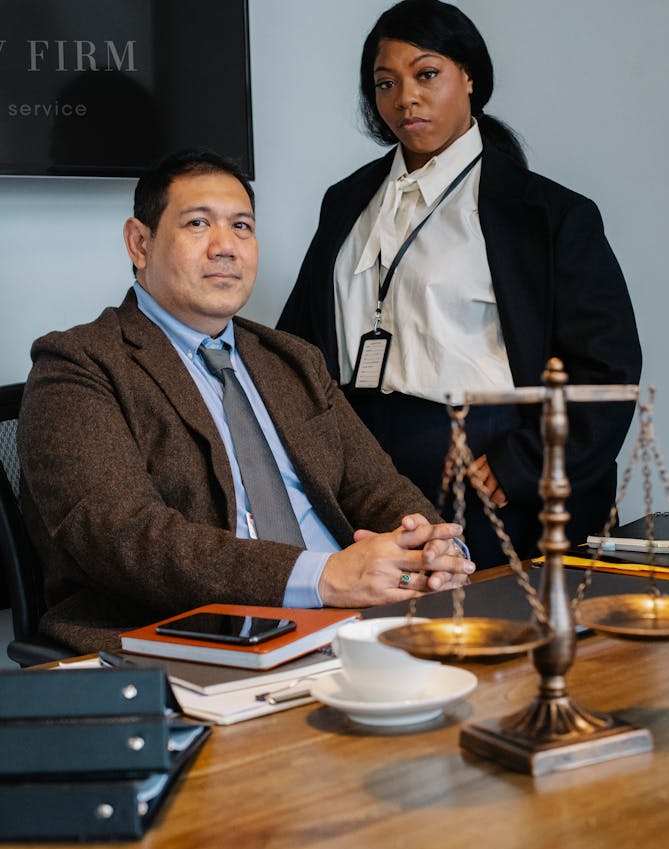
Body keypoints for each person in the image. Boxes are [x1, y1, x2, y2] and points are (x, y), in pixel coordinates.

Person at [18, 149, 473, 654]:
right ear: (140, 243)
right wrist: (322, 576)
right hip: (187, 638)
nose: (226, 247)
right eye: (197, 223)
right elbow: (123, 536)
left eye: (242, 226)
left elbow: (375, 485)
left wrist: (431, 546)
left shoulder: (290, 358)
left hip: (354, 622)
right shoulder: (79, 363)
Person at [278, 0, 642, 568]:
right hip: (361, 467)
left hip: (489, 466)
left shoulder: (549, 213)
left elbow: (608, 368)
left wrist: (524, 465)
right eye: (384, 83)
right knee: (387, 639)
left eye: (427, 74)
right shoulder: (346, 200)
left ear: (469, 76)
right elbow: (297, 346)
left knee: (503, 638)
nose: (405, 98)